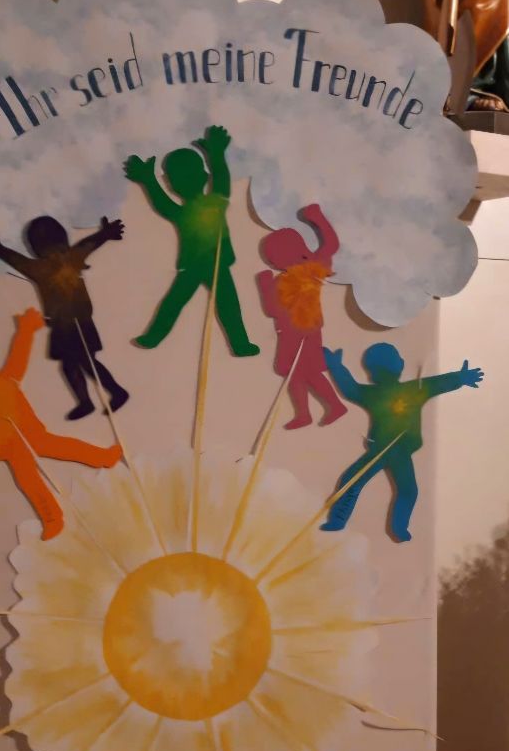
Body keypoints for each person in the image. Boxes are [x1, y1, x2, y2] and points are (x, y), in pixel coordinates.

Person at [0, 308, 122, 541]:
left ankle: (55, 515)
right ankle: (60, 508)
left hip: (21, 441)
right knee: (53, 460)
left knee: (35, 477)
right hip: (18, 444)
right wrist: (26, 329)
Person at [321, 342, 483, 541]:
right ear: (399, 366)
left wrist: (336, 367)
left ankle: (344, 522)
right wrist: (460, 378)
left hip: (386, 451)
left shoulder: (387, 392)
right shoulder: (411, 390)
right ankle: (396, 527)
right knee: (405, 490)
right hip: (393, 451)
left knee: (356, 482)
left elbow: (350, 389)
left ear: (372, 372)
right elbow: (437, 384)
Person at [0, 215, 129, 420]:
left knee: (85, 362)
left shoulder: (44, 267)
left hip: (74, 322)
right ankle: (88, 401)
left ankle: (114, 393)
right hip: (66, 323)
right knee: (74, 364)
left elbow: (18, 261)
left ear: (36, 246)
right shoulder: (70, 258)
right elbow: (89, 244)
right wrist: (106, 233)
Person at [124, 125, 259, 356]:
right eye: (176, 178)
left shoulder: (215, 202)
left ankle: (239, 344)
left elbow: (220, 178)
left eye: (184, 176)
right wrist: (148, 180)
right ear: (171, 184)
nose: (179, 182)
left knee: (226, 306)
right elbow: (162, 204)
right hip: (196, 265)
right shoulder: (195, 208)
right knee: (176, 302)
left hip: (216, 264)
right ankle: (154, 336)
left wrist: (216, 154)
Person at [257, 203, 347, 429]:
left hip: (296, 333)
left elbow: (272, 310)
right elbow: (331, 245)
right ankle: (311, 412)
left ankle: (326, 408)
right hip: (307, 330)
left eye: (272, 259)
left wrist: (265, 285)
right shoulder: (312, 269)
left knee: (300, 373)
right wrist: (317, 217)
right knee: (300, 374)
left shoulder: (289, 278)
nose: (273, 263)